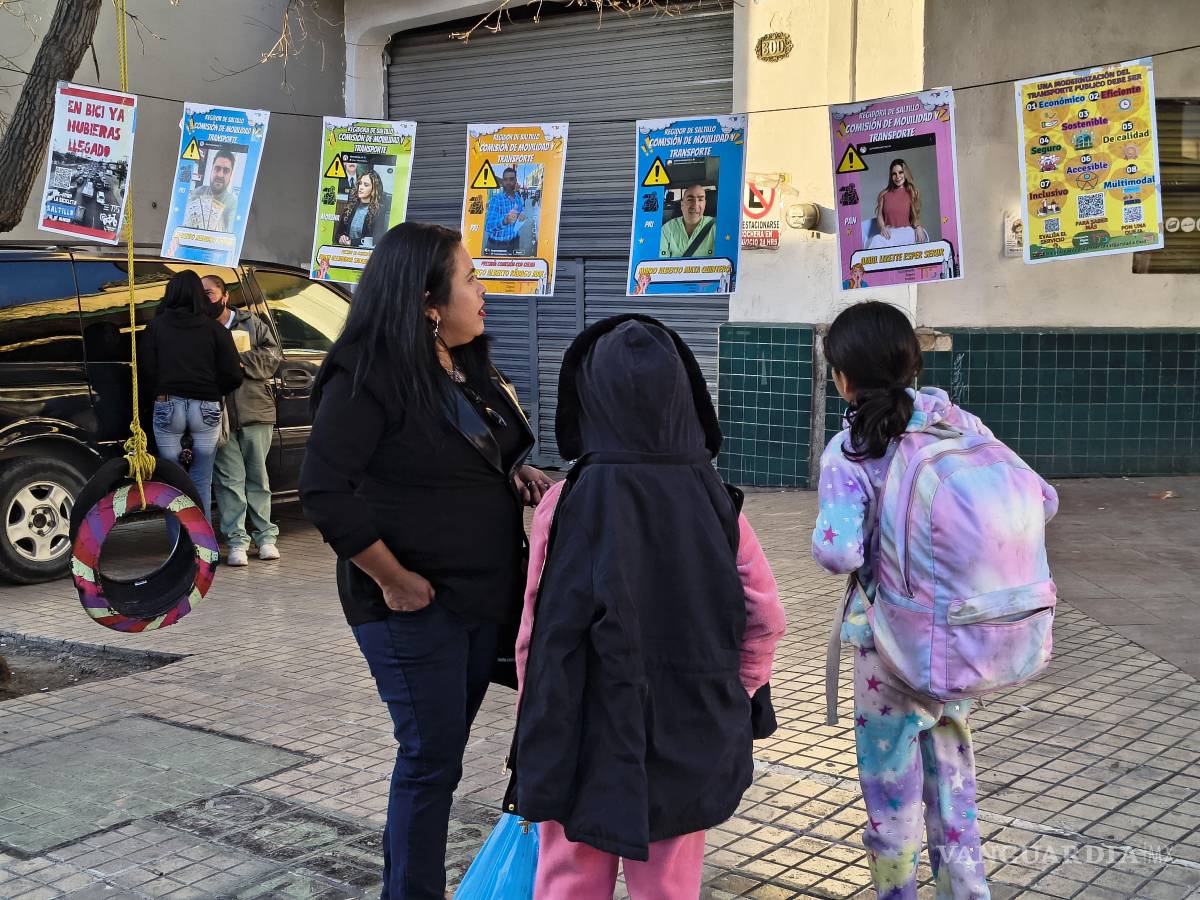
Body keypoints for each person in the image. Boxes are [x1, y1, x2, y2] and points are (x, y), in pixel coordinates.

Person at [299, 222, 550, 900]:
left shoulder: (465, 364)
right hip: (413, 608)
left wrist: (513, 476)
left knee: (443, 754)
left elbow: (468, 454)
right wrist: (394, 579)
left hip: (481, 598)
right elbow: (324, 491)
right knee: (430, 759)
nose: (483, 291)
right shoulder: (368, 375)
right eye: (469, 279)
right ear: (427, 301)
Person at [510, 315, 786, 900]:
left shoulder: (563, 502)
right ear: (685, 398)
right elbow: (766, 618)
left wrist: (534, 722)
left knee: (567, 880)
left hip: (578, 731)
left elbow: (533, 632)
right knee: (668, 885)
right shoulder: (717, 503)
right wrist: (730, 691)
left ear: (586, 401)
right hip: (687, 727)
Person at [811, 301, 1058, 900]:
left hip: (888, 652)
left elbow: (839, 552)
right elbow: (1044, 499)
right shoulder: (958, 423)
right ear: (912, 364)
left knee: (891, 800)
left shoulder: (851, 450)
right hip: (955, 640)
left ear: (842, 377)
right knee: (954, 791)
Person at [142, 270, 244, 523]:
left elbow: (146, 371)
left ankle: (179, 543)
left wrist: (159, 393)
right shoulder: (215, 329)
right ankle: (201, 545)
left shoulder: (156, 327)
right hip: (206, 407)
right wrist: (212, 391)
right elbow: (234, 375)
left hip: (168, 405)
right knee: (201, 481)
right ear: (200, 295)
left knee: (174, 484)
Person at [204, 274, 283, 566]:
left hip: (255, 411)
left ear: (225, 296)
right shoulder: (199, 327)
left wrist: (240, 361)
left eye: (209, 293)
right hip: (218, 414)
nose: (205, 299)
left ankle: (266, 538)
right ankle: (237, 541)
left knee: (258, 478)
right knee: (229, 481)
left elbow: (272, 357)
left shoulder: (251, 323)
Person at [868, 159, 927, 248]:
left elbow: (915, 216)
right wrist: (882, 227)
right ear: (891, 176)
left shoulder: (912, 192)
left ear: (905, 173)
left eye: (900, 172)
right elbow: (879, 216)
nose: (898, 176)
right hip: (890, 233)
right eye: (894, 174)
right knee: (876, 240)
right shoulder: (884, 194)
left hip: (907, 233)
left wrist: (918, 227)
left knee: (877, 240)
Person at [182, 149, 239, 233]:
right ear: (212, 170)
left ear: (230, 175)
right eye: (217, 168)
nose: (220, 175)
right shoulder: (197, 192)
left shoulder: (233, 204)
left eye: (226, 171)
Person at [334, 171, 388, 249]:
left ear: (374, 190)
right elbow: (338, 233)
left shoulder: (379, 210)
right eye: (360, 183)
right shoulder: (351, 206)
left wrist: (351, 242)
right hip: (346, 251)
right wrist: (341, 237)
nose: (361, 187)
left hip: (365, 253)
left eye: (366, 185)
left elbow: (375, 239)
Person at [659, 183, 715, 257]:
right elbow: (662, 262)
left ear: (705, 204)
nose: (695, 205)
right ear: (682, 205)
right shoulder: (667, 229)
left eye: (700, 200)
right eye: (690, 200)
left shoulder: (716, 227)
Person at [483, 166, 526, 254]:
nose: (508, 182)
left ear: (515, 181)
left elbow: (521, 211)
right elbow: (488, 226)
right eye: (505, 179)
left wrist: (522, 216)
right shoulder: (496, 199)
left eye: (511, 179)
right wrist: (505, 221)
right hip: (497, 246)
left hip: (515, 242)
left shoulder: (518, 198)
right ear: (503, 181)